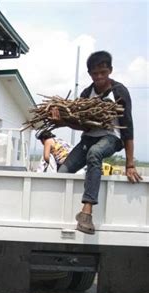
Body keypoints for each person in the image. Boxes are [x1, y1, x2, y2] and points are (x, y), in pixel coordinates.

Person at [52, 51, 142, 234]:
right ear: (90, 74)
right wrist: (62, 122)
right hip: (89, 137)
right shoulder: (87, 94)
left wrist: (130, 164)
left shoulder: (119, 92)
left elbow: (128, 128)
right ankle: (60, 213)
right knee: (63, 170)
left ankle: (87, 212)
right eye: (95, 73)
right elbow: (82, 126)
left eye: (103, 72)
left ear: (110, 70)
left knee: (95, 153)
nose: (99, 77)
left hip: (112, 137)